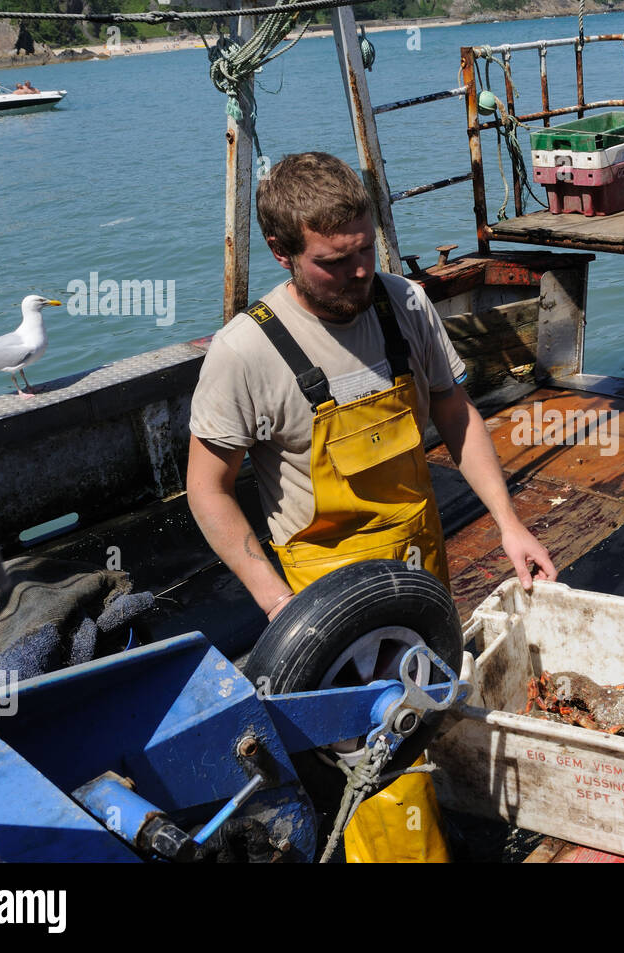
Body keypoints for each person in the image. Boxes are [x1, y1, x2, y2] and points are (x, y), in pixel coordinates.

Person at [187, 152, 555, 861]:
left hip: (419, 571)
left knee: (433, 716)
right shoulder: (244, 352)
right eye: (335, 261)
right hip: (327, 600)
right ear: (282, 252)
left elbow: (454, 411)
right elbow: (208, 488)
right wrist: (276, 604)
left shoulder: (401, 302)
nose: (360, 272)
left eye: (366, 250)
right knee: (375, 770)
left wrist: (509, 525)